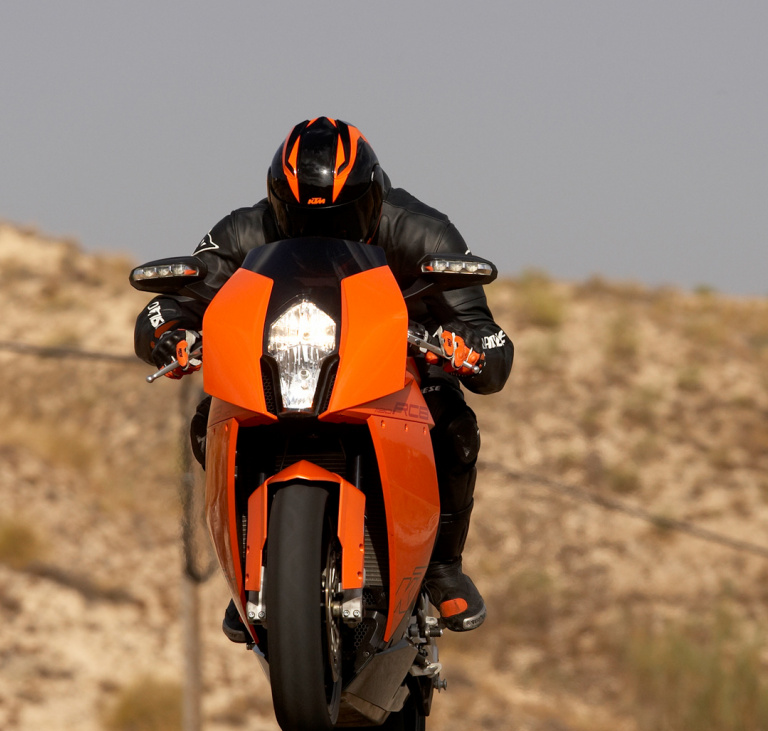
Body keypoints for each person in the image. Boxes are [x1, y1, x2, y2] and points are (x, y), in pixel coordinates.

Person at [132, 117, 513, 636]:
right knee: (209, 423)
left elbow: (487, 338)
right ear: (277, 203)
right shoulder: (245, 230)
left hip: (396, 364)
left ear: (372, 199)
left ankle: (444, 567)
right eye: (300, 218)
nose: (322, 232)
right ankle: (249, 567)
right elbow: (167, 304)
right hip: (279, 362)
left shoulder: (423, 231)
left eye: (341, 216)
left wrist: (464, 345)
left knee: (454, 427)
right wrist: (169, 332)